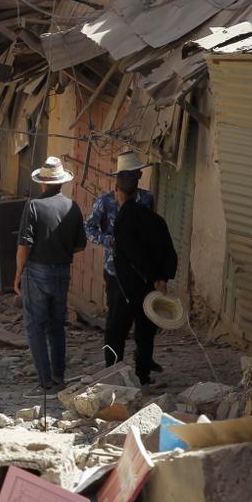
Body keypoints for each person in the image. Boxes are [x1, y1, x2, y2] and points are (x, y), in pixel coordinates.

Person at [13, 157, 87, 397]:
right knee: (57, 326)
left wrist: (17, 273)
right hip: (62, 272)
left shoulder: (33, 205)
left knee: (35, 327)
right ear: (61, 183)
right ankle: (58, 377)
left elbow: (24, 245)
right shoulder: (72, 207)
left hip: (37, 272)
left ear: (43, 183)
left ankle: (44, 381)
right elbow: (79, 245)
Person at [85, 150, 158, 372]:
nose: (129, 179)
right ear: (117, 178)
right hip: (116, 272)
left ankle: (143, 369)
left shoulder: (147, 199)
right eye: (124, 176)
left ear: (138, 176)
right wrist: (109, 241)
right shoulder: (105, 202)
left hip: (142, 273)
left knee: (146, 323)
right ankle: (113, 369)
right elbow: (88, 228)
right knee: (116, 324)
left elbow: (153, 229)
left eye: (133, 175)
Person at [112, 170, 178, 386]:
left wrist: (149, 273)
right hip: (151, 286)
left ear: (117, 191)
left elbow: (133, 254)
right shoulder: (155, 219)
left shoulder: (123, 220)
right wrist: (162, 278)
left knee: (116, 330)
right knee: (146, 330)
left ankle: (113, 373)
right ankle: (143, 374)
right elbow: (169, 250)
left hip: (127, 286)